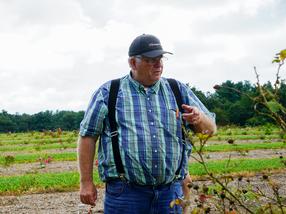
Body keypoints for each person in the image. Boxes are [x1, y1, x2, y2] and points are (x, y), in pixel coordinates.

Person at [78, 34, 216, 214]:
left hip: (171, 192)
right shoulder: (109, 92)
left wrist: (199, 119)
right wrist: (86, 182)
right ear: (133, 63)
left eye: (160, 59)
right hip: (125, 194)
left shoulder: (177, 89)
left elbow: (210, 130)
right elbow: (88, 136)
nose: (158, 64)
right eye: (151, 60)